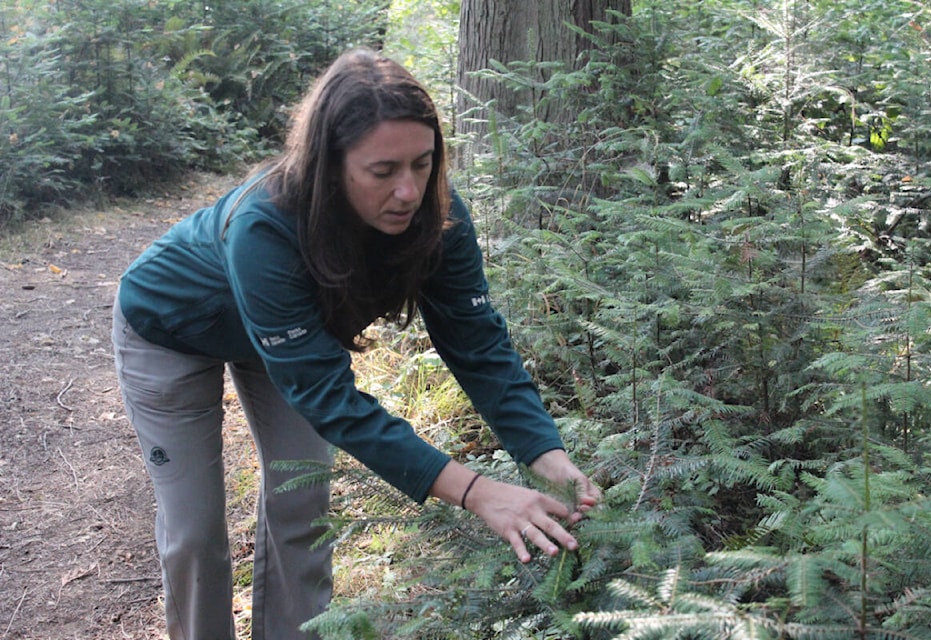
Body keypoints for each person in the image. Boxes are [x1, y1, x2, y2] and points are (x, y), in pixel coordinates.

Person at [111, 47, 600, 640]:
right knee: (194, 531)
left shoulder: (438, 218)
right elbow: (328, 397)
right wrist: (475, 492)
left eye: (423, 164)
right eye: (383, 171)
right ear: (329, 164)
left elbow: (479, 345)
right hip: (170, 330)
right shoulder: (266, 227)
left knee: (302, 504)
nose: (408, 191)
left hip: (291, 341)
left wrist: (545, 454)